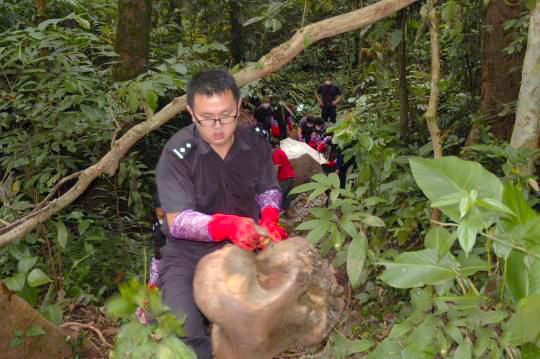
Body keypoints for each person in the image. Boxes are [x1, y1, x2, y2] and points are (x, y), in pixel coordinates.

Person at [155, 69, 287, 359]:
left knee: (261, 324)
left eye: (226, 116)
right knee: (182, 327)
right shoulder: (177, 152)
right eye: (206, 117)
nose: (217, 126)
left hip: (245, 247)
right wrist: (226, 225)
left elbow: (268, 188)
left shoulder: (255, 143)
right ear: (191, 113)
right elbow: (178, 221)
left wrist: (268, 218)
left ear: (238, 108)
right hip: (187, 253)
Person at [270, 138, 295, 210]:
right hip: (290, 177)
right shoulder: (281, 152)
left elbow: (276, 168)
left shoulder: (276, 154)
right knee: (286, 196)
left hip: (284, 179)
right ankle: (287, 212)